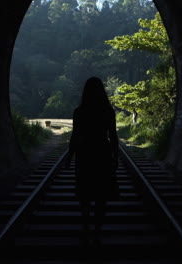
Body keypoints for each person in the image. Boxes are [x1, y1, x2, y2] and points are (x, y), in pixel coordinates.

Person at [66, 77, 119, 246]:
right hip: (102, 153)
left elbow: (74, 137)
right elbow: (113, 136)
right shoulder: (108, 111)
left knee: (85, 193)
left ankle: (86, 226)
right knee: (101, 194)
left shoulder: (79, 111)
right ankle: (97, 230)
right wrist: (115, 156)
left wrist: (69, 157)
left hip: (85, 154)